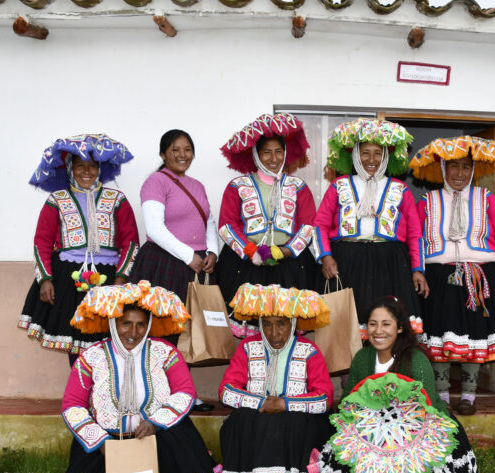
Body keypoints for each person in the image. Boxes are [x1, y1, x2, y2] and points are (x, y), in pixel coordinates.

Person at [60, 281, 222, 473]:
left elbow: (185, 392)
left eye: (141, 325)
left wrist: (156, 422)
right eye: (126, 323)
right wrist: (100, 442)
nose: (133, 332)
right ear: (113, 322)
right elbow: (73, 405)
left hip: (160, 436)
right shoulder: (91, 357)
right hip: (105, 443)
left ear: (149, 325)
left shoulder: (164, 352)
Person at [308, 296, 482, 473]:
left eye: (386, 324)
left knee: (419, 472)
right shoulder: (363, 358)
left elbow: (426, 411)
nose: (378, 331)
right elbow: (349, 401)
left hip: (418, 427)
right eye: (372, 324)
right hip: (374, 424)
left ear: (399, 328)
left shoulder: (416, 361)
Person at [408, 136, 495, 415]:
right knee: (441, 337)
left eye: (466, 167)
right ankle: (443, 394)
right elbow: (416, 240)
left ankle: (469, 395)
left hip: (480, 277)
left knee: (474, 335)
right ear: (443, 169)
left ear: (473, 170)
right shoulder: (428, 201)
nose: (460, 174)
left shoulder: (486, 199)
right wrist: (417, 271)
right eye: (454, 166)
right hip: (438, 278)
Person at [18, 134, 139, 365]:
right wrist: (45, 279)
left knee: (107, 340)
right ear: (70, 169)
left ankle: (104, 393)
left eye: (92, 166)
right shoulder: (57, 200)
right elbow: (41, 242)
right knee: (75, 341)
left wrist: (121, 278)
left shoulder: (117, 199)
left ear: (100, 169)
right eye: (80, 166)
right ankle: (80, 392)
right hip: (68, 279)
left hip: (109, 279)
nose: (87, 172)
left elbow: (131, 242)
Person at [216, 283, 334, 473]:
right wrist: (261, 403)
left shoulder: (309, 350)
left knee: (297, 421)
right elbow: (226, 391)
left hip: (293, 415)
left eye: (281, 324)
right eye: (267, 324)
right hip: (259, 410)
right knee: (240, 420)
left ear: (293, 323)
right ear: (260, 324)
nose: (274, 332)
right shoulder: (247, 347)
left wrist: (284, 404)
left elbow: (325, 398)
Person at [314, 118, 427, 333]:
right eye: (365, 152)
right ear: (355, 154)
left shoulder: (400, 189)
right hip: (347, 262)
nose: (371, 159)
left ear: (386, 156)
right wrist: (325, 256)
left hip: (390, 264)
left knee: (386, 325)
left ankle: (385, 367)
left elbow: (415, 234)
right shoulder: (339, 185)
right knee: (347, 329)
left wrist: (417, 269)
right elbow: (319, 225)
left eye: (378, 153)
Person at [217, 113, 318, 338]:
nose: (273, 158)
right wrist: (251, 251)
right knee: (251, 329)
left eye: (278, 151)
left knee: (285, 328)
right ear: (256, 154)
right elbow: (227, 226)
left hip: (290, 264)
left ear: (285, 154)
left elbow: (308, 225)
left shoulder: (298, 186)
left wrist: (285, 250)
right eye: (266, 152)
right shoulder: (238, 186)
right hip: (246, 264)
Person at [129, 129, 219, 312]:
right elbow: (154, 228)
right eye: (175, 150)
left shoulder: (197, 185)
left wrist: (212, 252)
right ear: (163, 154)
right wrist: (188, 256)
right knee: (166, 323)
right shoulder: (155, 181)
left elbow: (208, 222)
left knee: (199, 327)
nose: (182, 155)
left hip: (199, 264)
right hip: (165, 262)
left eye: (187, 150)